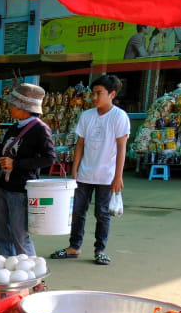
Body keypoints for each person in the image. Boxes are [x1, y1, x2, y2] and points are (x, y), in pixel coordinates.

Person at [51, 74, 129, 266]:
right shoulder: (86, 116)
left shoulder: (120, 117)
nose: (94, 97)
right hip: (84, 174)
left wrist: (118, 176)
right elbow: (80, 145)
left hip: (107, 176)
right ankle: (74, 247)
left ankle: (100, 250)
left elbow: (121, 148)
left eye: (98, 93)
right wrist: (74, 170)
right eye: (93, 93)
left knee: (102, 214)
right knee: (77, 211)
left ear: (111, 94)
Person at [0, 84, 56, 257]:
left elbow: (49, 158)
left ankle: (34, 276)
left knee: (20, 236)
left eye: (13, 104)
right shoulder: (14, 127)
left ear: (24, 107)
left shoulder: (40, 129)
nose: (10, 107)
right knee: (0, 234)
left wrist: (16, 164)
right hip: (4, 187)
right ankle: (9, 270)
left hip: (21, 191)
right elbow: (3, 152)